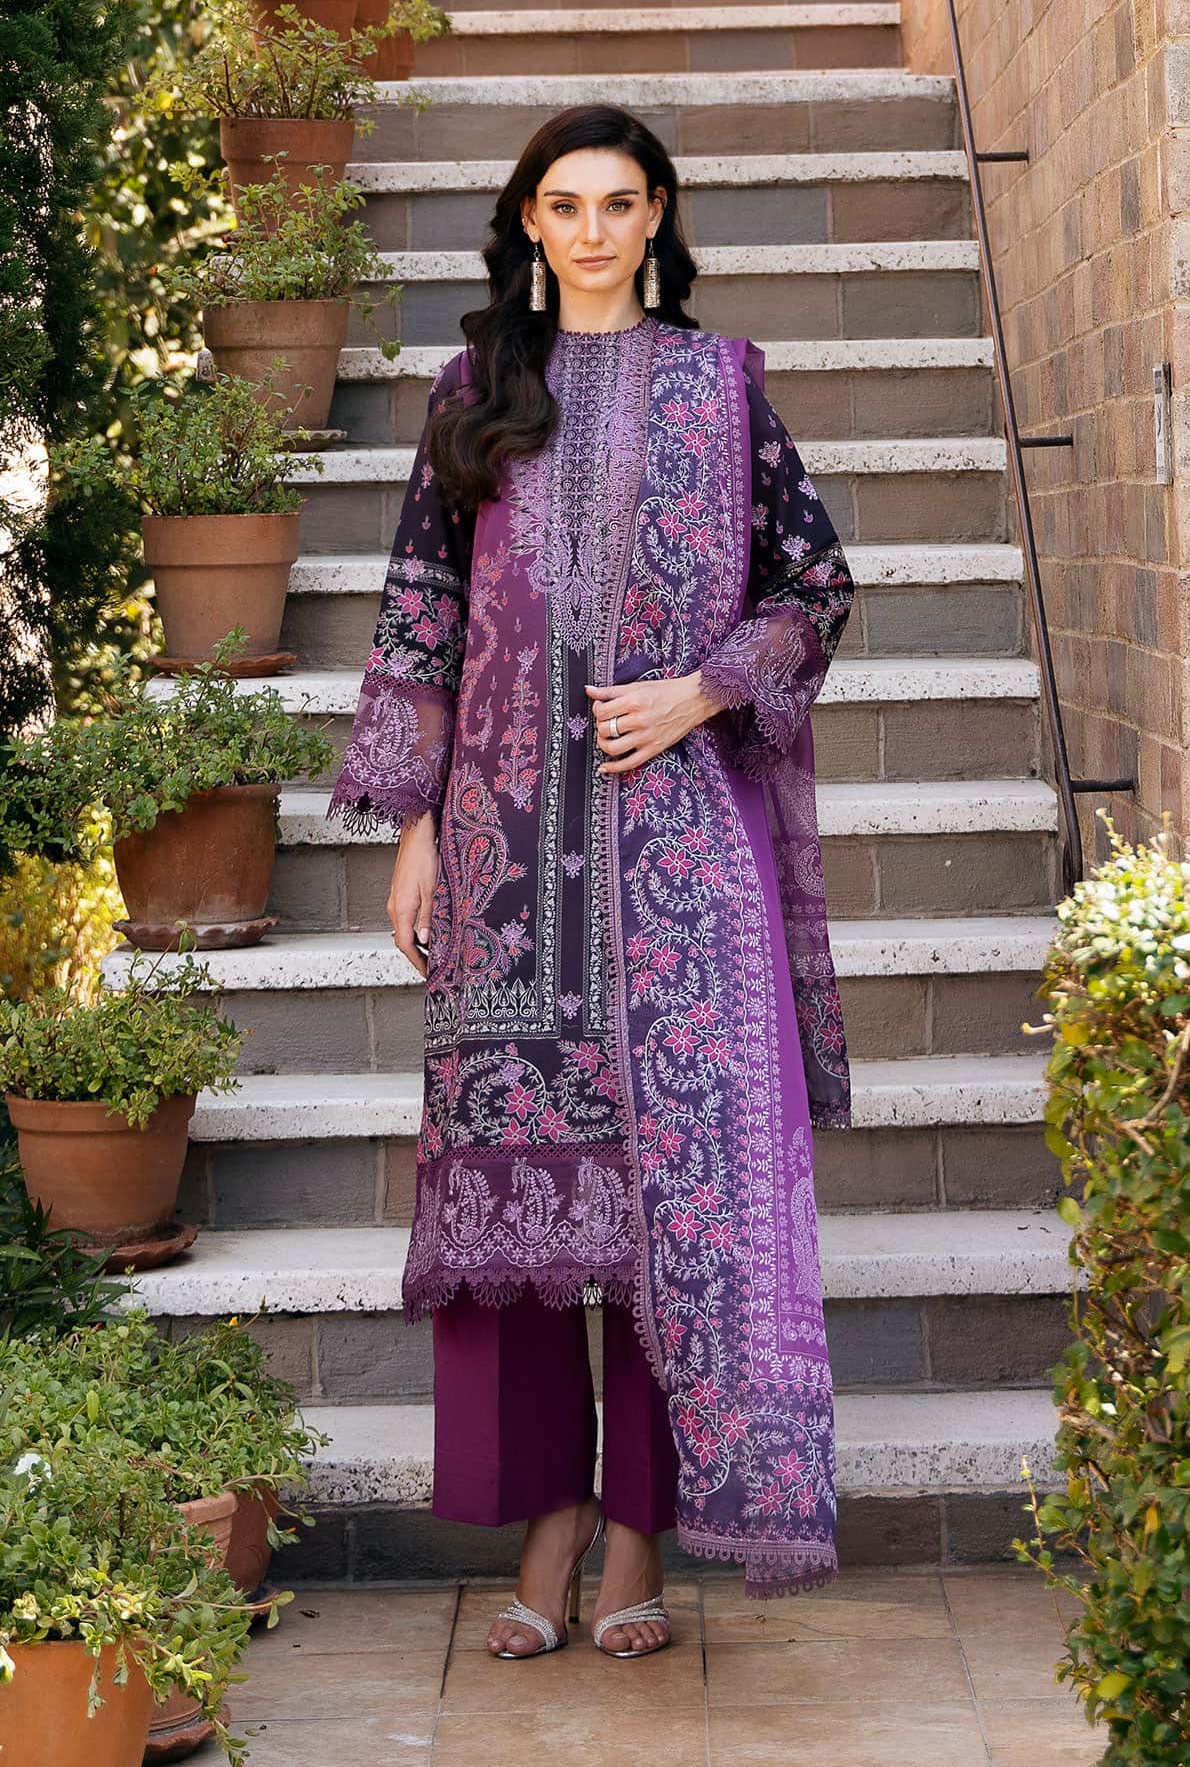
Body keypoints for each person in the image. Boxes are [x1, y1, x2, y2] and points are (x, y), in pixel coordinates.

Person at [327, 102, 855, 1660]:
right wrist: (413, 824)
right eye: (565, 205)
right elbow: (422, 608)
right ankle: (547, 1517)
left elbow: (817, 583)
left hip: (681, 855)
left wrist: (703, 690)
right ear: (529, 225)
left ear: (659, 216)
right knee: (519, 1208)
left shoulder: (722, 386)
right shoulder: (474, 391)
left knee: (671, 1208)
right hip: (505, 859)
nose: (594, 230)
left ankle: (636, 1540)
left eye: (620, 203)